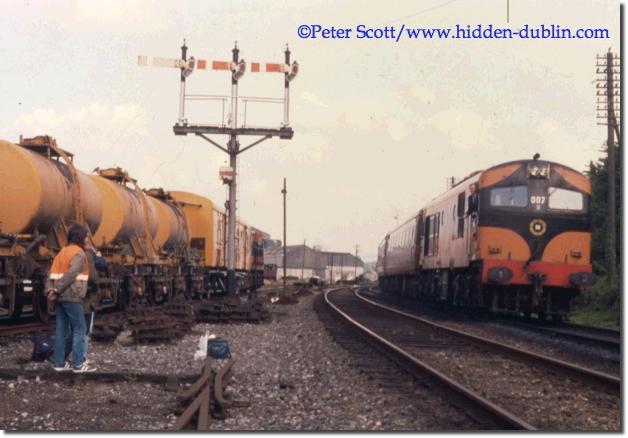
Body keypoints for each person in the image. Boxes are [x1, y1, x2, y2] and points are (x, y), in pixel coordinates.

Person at [46, 224, 97, 373]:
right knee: (80, 328)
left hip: (60, 297)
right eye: (86, 236)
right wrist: (56, 289)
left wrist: (51, 289)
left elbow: (51, 272)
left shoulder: (62, 252)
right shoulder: (79, 253)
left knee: (61, 328)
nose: (87, 239)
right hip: (72, 295)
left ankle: (59, 363)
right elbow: (72, 273)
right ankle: (78, 364)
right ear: (80, 237)